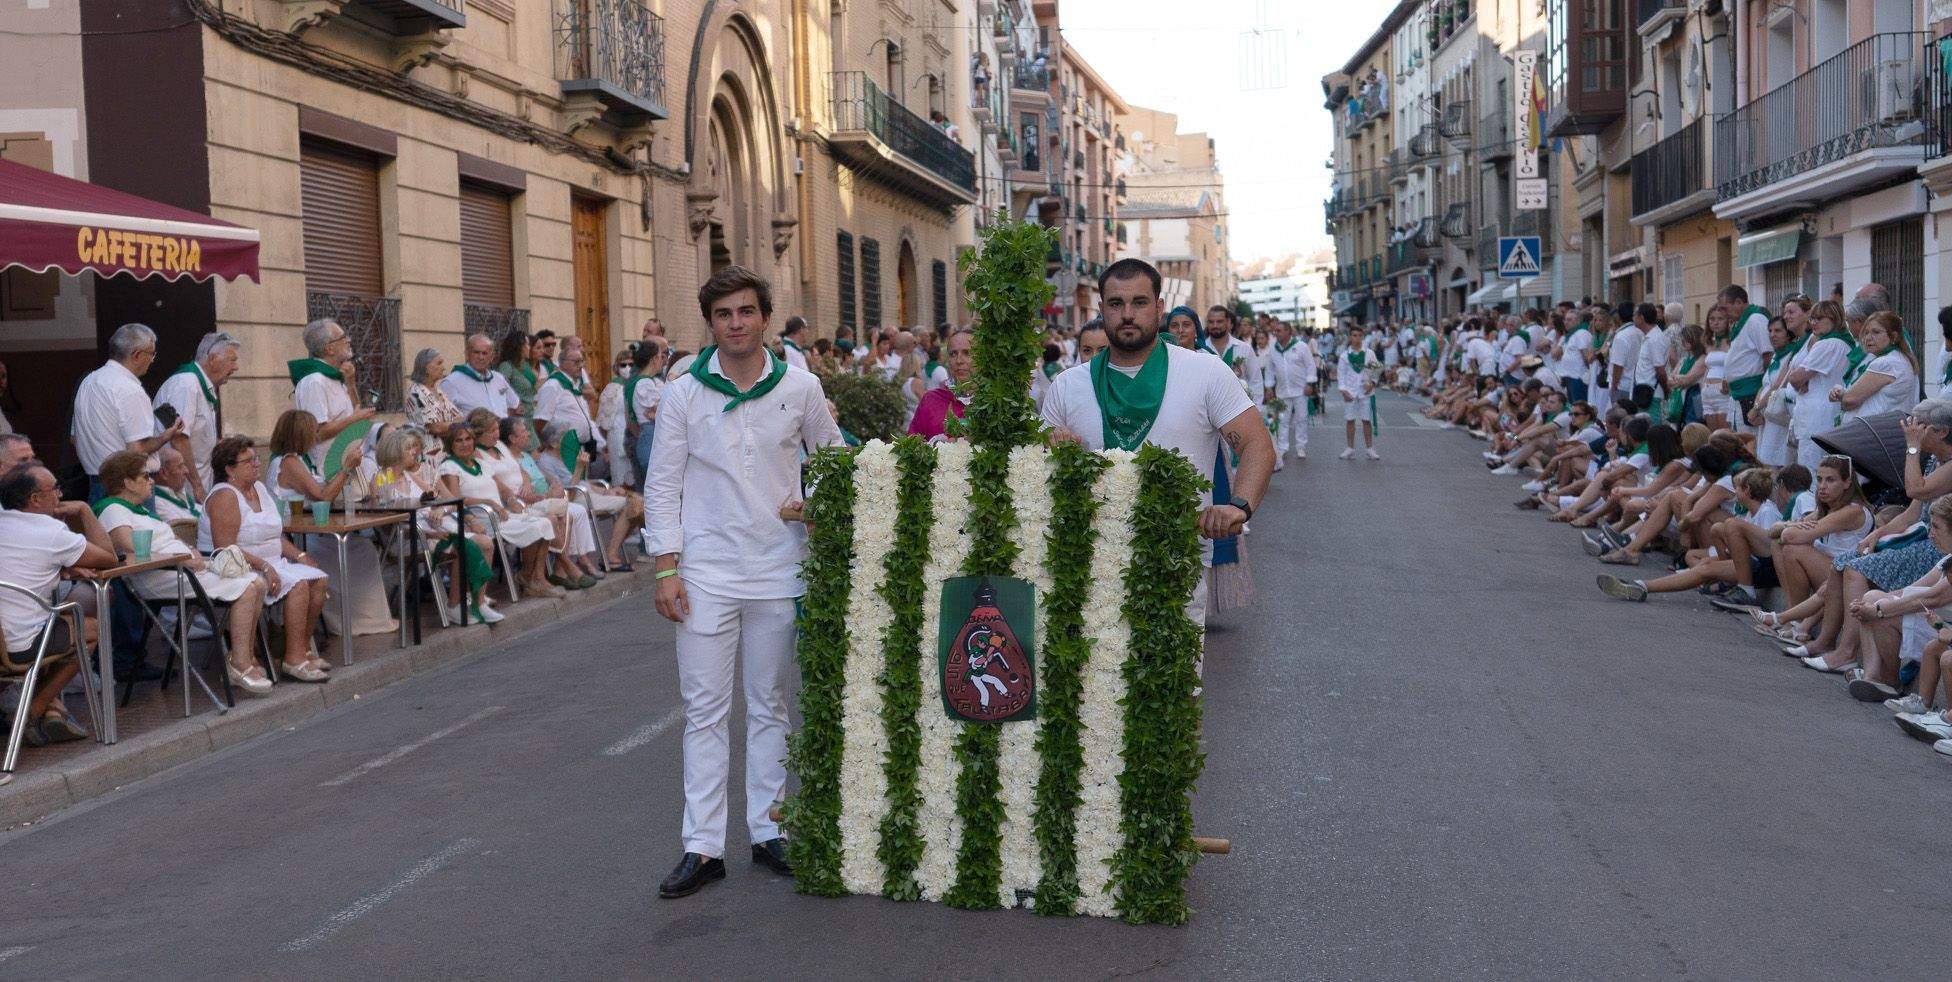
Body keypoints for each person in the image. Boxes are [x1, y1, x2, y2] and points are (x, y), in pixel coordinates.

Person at [645, 265, 844, 899]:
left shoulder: (801, 387)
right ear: (711, 323)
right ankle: (702, 847)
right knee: (704, 711)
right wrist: (667, 567)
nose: (737, 324)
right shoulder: (683, 393)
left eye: (748, 312)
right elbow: (663, 485)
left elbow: (834, 462)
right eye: (725, 314)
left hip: (778, 569)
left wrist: (813, 505)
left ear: (764, 317)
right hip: (704, 574)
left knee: (771, 705)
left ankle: (768, 830)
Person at [1041, 258, 1274, 626]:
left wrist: (1239, 507)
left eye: (1140, 302)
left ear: (1159, 308)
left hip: (1176, 569)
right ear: (1102, 310)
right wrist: (1049, 447)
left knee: (1174, 684)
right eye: (1116, 304)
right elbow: (1040, 470)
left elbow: (1257, 445)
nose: (1127, 314)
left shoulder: (1205, 372)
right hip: (1089, 568)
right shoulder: (1069, 385)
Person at [92, 450, 270, 694]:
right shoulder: (113, 509)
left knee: (257, 583)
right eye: (145, 476)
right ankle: (239, 664)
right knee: (248, 588)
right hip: (157, 577)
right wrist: (181, 559)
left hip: (180, 570)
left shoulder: (138, 510)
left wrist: (190, 552)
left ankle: (244, 659)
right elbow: (130, 552)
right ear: (127, 483)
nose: (152, 480)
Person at [201, 436, 333, 682]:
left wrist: (301, 555)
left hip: (272, 562)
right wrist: (264, 565)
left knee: (319, 578)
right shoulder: (225, 496)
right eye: (248, 460)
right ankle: (293, 659)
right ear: (229, 469)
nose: (256, 464)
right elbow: (225, 548)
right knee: (300, 584)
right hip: (238, 567)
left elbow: (274, 535)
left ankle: (301, 648)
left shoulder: (259, 488)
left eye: (256, 458)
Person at [0, 461, 113, 747]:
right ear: (35, 499)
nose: (60, 495)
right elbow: (109, 558)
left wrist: (61, 569)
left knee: (58, 629)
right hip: (19, 646)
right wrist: (85, 510)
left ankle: (42, 710)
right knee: (91, 630)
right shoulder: (50, 531)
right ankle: (33, 710)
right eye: (55, 489)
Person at [268, 410, 396, 639]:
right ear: (300, 435)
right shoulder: (288, 463)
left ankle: (366, 618)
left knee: (363, 547)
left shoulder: (298, 460)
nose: (316, 436)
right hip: (298, 536)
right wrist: (346, 468)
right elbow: (323, 496)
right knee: (353, 550)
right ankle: (350, 621)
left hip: (310, 529)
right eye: (312, 431)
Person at [73, 322, 185, 501]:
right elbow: (137, 450)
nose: (152, 360)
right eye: (151, 354)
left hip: (96, 483)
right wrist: (166, 436)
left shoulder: (88, 382)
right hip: (129, 487)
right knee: (140, 530)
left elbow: (74, 438)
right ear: (137, 355)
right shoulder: (129, 389)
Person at [153, 330, 239, 498]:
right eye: (232, 360)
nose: (236, 367)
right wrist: (197, 486)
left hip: (194, 485)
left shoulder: (199, 385)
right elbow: (179, 438)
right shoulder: (186, 385)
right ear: (213, 359)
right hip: (184, 489)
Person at [290, 319, 375, 464]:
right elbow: (317, 433)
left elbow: (356, 411)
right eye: (342, 338)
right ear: (329, 349)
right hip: (327, 469)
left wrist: (351, 384)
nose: (348, 341)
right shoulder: (314, 382)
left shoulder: (334, 376)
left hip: (349, 461)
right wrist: (354, 419)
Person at [1785, 299, 1853, 469]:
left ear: (1834, 319)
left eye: (1819, 318)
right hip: (1828, 415)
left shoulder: (1827, 344)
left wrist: (1802, 380)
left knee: (1812, 473)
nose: (1814, 323)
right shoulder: (1844, 342)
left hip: (1816, 419)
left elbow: (1795, 378)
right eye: (1812, 319)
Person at [1832, 310, 1918, 421]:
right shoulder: (1898, 358)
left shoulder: (1886, 363)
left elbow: (1849, 400)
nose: (1868, 338)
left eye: (1876, 332)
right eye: (1866, 332)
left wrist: (1842, 395)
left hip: (1874, 432)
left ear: (1894, 336)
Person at [535, 344, 605, 464]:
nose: (581, 366)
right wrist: (550, 444)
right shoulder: (553, 386)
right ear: (562, 363)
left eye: (582, 361)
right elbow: (540, 420)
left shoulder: (574, 385)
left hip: (583, 447)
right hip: (564, 448)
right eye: (576, 362)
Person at [907, 328, 974, 440]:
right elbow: (911, 446)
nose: (959, 360)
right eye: (953, 354)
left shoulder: (997, 403)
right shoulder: (931, 399)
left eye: (967, 353)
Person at [444, 332, 522, 420]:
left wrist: (503, 422)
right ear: (467, 354)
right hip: (474, 432)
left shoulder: (499, 378)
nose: (481, 357)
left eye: (485, 353)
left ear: (492, 357)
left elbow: (515, 406)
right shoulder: (452, 382)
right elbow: (444, 417)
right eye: (476, 352)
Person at [626, 338, 669, 480]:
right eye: (660, 357)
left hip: (649, 435)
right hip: (650, 437)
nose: (662, 361)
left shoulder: (647, 381)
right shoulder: (644, 383)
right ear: (653, 359)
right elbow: (660, 412)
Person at [1337, 324, 1380, 460]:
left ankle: (1370, 449)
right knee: (1350, 420)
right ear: (1350, 337)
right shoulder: (1344, 356)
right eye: (1354, 335)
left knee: (1366, 420)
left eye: (1360, 336)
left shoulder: (1369, 354)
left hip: (1365, 392)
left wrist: (1372, 383)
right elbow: (1341, 374)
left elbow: (1376, 370)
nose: (1357, 338)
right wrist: (1343, 391)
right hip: (1350, 392)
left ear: (1363, 336)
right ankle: (1350, 448)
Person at [405, 347, 466, 439]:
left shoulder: (438, 391)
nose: (444, 368)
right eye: (439, 363)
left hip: (447, 448)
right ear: (426, 368)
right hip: (427, 450)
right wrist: (455, 424)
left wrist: (452, 424)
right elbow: (436, 427)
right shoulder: (415, 394)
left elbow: (459, 418)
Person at [148, 447, 202, 525]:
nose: (186, 471)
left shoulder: (180, 493)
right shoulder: (156, 502)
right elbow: (184, 529)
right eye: (180, 466)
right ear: (163, 473)